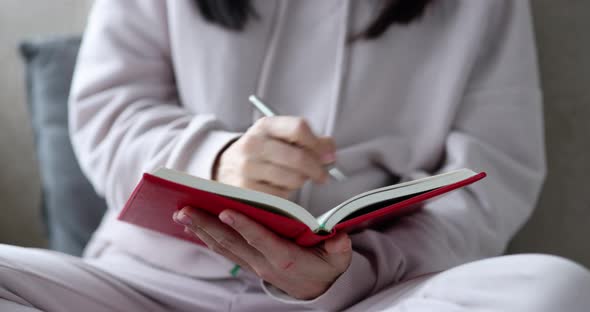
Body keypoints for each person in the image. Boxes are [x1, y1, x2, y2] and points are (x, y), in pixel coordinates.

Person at [1, 0, 589, 311]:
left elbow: (494, 173)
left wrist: (356, 270)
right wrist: (217, 159)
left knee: (556, 290)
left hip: (374, 296)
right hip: (141, 288)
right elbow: (110, 107)